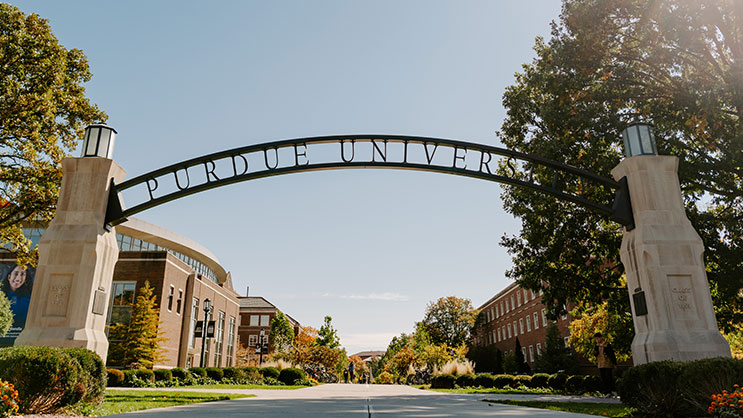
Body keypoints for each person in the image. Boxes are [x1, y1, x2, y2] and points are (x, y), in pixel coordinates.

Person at [0, 264, 34, 329]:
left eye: (22, 274)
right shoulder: (1, 296)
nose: (18, 278)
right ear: (9, 277)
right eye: (16, 274)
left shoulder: (29, 298)